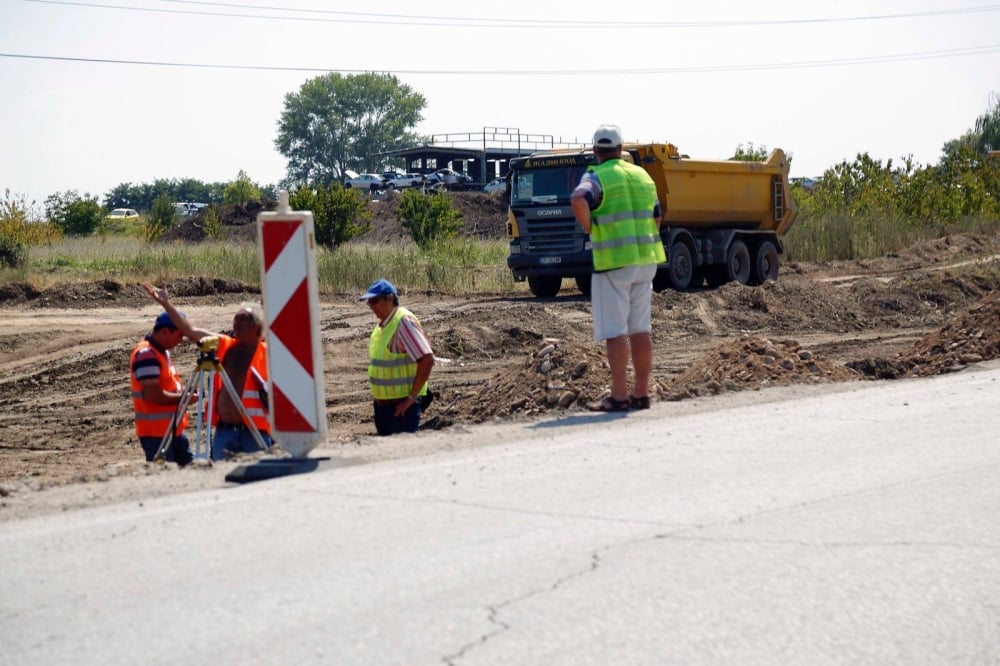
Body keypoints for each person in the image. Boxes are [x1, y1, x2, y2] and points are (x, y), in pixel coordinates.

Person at [570, 123, 665, 412]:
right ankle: (641, 393)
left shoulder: (597, 175)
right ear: (621, 149)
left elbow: (578, 198)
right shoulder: (642, 176)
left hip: (613, 264)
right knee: (640, 329)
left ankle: (619, 396)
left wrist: (590, 228)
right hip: (646, 260)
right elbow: (658, 214)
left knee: (615, 332)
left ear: (596, 151)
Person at [143, 283, 272, 460]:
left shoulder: (269, 354)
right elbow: (190, 331)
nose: (237, 323)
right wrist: (166, 304)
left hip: (255, 433)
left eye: (244, 319)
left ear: (257, 327)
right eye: (236, 318)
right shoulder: (226, 345)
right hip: (225, 432)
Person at [361, 278, 435, 435]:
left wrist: (412, 398)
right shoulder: (382, 327)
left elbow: (427, 358)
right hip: (384, 409)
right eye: (369, 303)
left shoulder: (403, 322)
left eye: (374, 301)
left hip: (402, 410)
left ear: (390, 298)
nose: (371, 307)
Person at [130, 310, 195, 465]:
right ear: (165, 332)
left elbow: (168, 386)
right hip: (157, 435)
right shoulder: (147, 355)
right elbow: (153, 395)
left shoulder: (160, 352)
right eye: (179, 335)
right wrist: (185, 398)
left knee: (191, 473)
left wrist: (185, 393)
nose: (181, 341)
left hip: (173, 430)